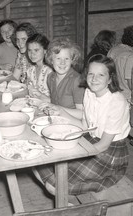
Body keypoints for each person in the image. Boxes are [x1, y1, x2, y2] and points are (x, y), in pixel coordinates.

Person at [36, 54, 130, 196]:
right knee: (39, 162)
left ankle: (72, 207)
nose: (94, 79)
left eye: (101, 75)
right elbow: (84, 125)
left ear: (110, 78)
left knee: (54, 185)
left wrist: (76, 155)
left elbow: (104, 145)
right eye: (91, 74)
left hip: (110, 152)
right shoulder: (89, 92)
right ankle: (68, 204)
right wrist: (60, 110)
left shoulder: (117, 102)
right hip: (91, 141)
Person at [42, 37, 85, 119]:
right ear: (51, 60)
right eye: (58, 58)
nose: (62, 63)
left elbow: (82, 114)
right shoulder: (50, 78)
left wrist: (59, 109)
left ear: (72, 60)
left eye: (66, 58)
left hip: (73, 125)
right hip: (57, 121)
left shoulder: (77, 80)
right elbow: (55, 102)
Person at [25, 33, 52, 101]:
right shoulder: (30, 70)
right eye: (29, 50)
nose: (32, 54)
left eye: (36, 50)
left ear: (45, 50)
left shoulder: (50, 72)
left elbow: (57, 100)